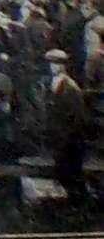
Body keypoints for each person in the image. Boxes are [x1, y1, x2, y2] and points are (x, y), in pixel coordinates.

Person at [44, 48, 88, 201]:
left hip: (70, 139)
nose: (54, 67)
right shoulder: (53, 83)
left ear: (64, 66)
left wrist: (65, 138)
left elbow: (76, 118)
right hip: (59, 137)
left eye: (57, 64)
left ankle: (78, 200)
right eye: (51, 64)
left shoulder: (70, 87)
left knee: (70, 174)